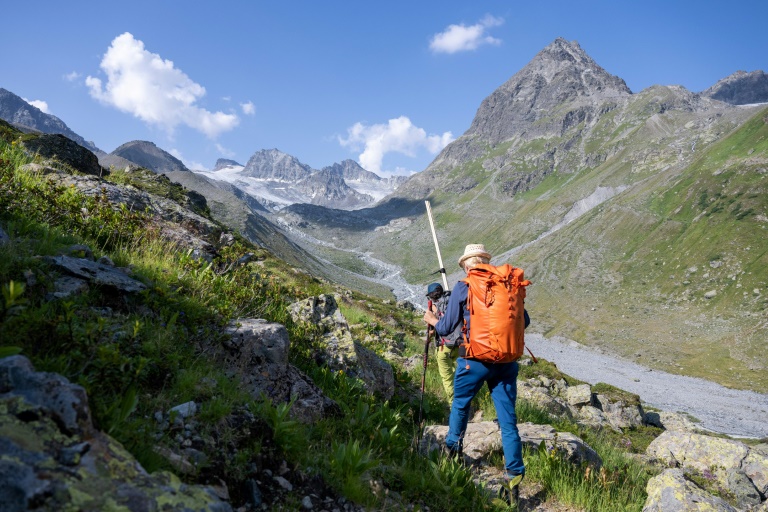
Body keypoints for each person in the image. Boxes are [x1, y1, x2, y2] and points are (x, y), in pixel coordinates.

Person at [423, 244, 528, 505]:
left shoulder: (464, 285)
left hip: (474, 361)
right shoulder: (506, 284)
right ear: (485, 261)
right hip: (506, 362)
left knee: (460, 406)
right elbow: (524, 321)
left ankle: (452, 455)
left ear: (467, 265)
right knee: (508, 422)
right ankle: (513, 483)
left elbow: (447, 328)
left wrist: (432, 319)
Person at [425, 282, 461, 405]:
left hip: (444, 347)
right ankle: (466, 399)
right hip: (461, 344)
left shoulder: (434, 307)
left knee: (448, 378)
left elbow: (432, 331)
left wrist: (429, 335)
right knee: (461, 373)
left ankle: (454, 406)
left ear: (431, 296)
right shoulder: (454, 302)